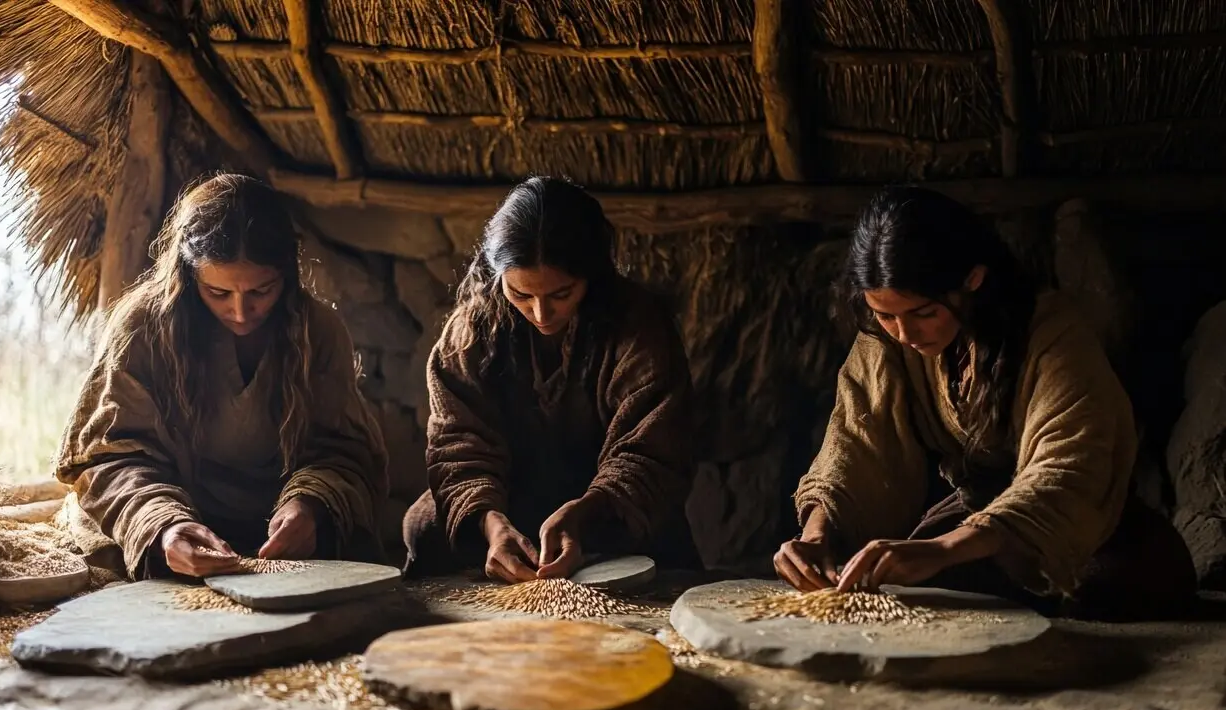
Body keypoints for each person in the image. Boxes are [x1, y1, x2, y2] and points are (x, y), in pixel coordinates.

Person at [779, 185, 1196, 620]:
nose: (904, 334)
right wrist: (816, 533)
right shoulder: (888, 339)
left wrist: (944, 548)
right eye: (885, 315)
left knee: (1096, 607)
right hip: (973, 528)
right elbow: (855, 442)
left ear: (972, 281)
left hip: (1086, 536)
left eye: (923, 313)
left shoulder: (1052, 336)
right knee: (902, 595)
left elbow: (1072, 464)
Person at [54, 173, 389, 580]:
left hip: (275, 532)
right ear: (189, 275)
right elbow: (108, 457)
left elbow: (345, 451)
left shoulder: (317, 331)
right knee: (110, 571)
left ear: (287, 273)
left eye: (261, 292)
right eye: (219, 294)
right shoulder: (142, 328)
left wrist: (310, 504)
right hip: (167, 517)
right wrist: (164, 526)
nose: (241, 312)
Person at [403, 176, 701, 583]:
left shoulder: (639, 329)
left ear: (592, 275)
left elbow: (651, 453)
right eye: (521, 295)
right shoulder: (468, 335)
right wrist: (492, 524)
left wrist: (586, 511)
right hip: (505, 503)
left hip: (609, 514)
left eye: (562, 294)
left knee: (659, 556)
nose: (542, 314)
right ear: (499, 276)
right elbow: (458, 446)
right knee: (425, 525)